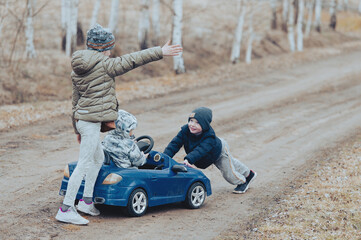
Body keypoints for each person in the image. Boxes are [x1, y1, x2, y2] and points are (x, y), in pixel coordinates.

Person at [55, 23, 182, 225]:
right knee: (84, 164)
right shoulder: (106, 65)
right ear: (103, 48)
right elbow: (132, 60)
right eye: (110, 48)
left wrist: (76, 128)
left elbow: (75, 100)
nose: (111, 52)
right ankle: (66, 208)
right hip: (90, 123)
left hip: (84, 122)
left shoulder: (78, 67)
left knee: (97, 160)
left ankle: (86, 202)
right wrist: (160, 51)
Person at [163, 107, 257, 194]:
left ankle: (243, 181)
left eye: (197, 123)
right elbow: (174, 144)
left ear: (204, 125)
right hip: (209, 154)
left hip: (218, 151)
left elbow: (200, 150)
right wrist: (164, 157)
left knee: (228, 173)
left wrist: (188, 159)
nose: (192, 125)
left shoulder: (209, 137)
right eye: (191, 121)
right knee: (232, 162)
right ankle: (249, 173)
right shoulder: (185, 131)